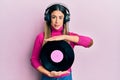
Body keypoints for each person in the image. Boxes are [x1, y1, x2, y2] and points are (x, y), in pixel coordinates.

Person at [30, 3, 93, 80]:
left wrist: (64, 36)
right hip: (47, 77)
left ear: (65, 19)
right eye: (54, 17)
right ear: (49, 18)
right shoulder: (41, 37)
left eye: (60, 17)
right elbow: (34, 59)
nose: (57, 21)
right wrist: (48, 73)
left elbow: (89, 42)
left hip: (66, 77)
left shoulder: (70, 36)